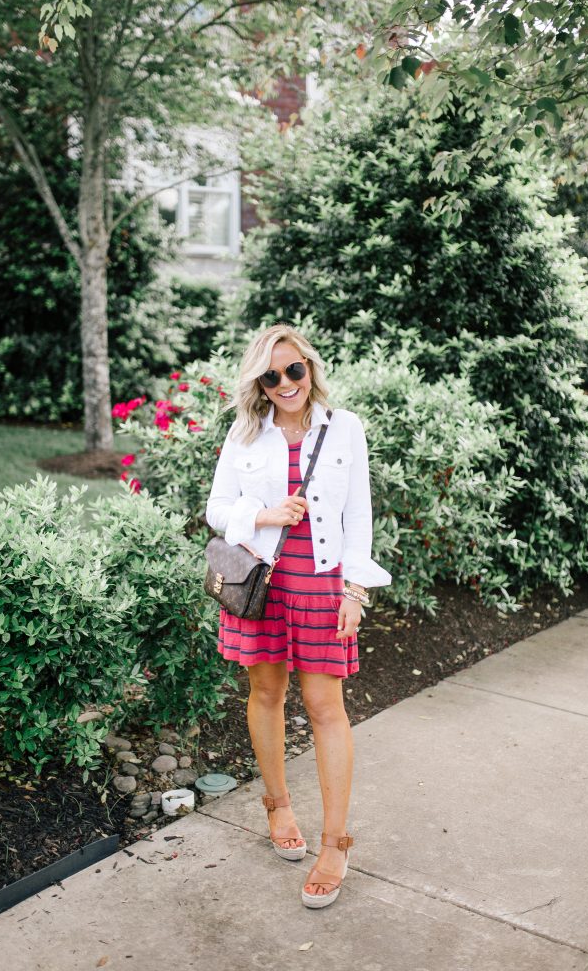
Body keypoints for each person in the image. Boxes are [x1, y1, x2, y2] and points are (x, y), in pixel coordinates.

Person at [205, 323, 392, 908]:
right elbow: (216, 510)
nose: (285, 382)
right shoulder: (246, 433)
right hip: (260, 584)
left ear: (310, 368)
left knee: (325, 708)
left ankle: (335, 844)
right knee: (265, 695)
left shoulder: (345, 429)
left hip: (321, 584)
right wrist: (263, 515)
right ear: (259, 382)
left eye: (294, 370)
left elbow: (359, 516)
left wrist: (355, 591)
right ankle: (278, 806)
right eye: (271, 374)